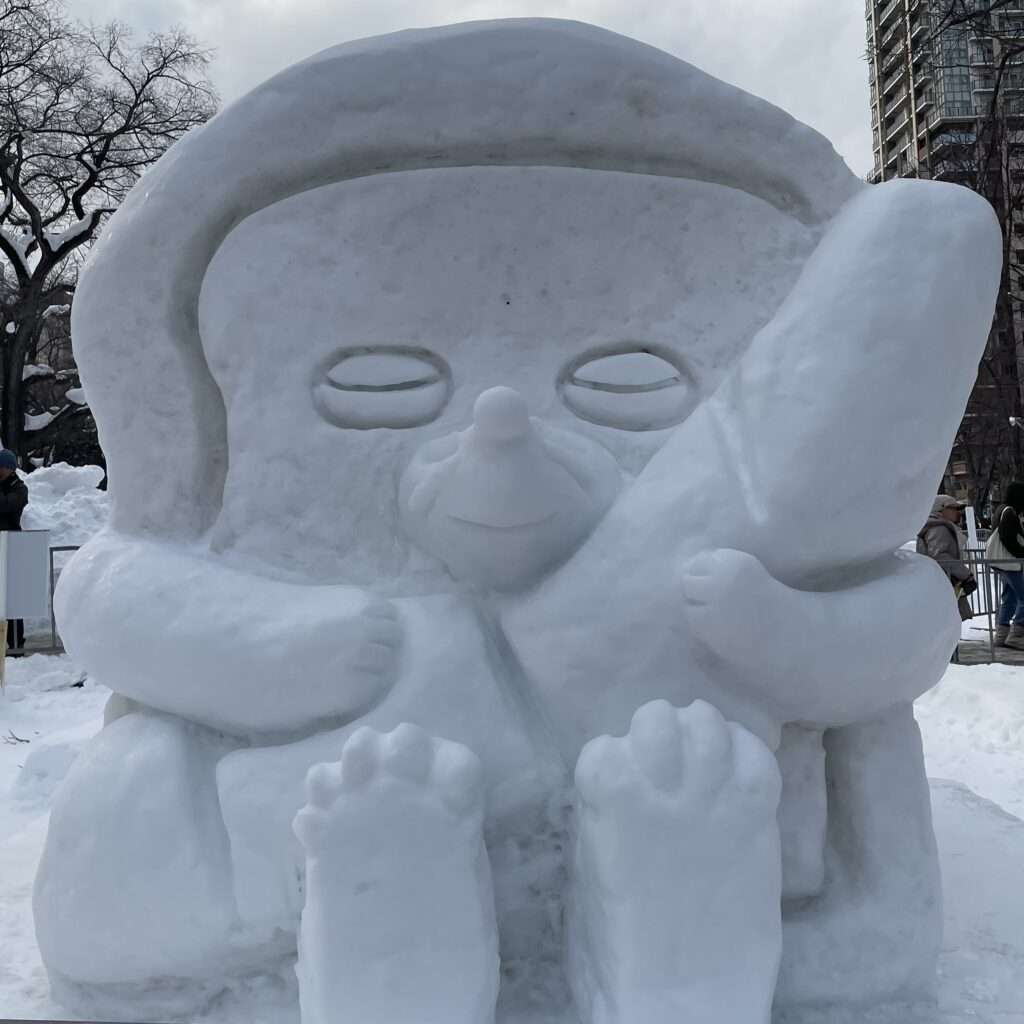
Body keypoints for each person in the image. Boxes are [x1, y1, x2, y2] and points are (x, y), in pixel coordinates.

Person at [917, 495, 977, 660]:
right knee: (948, 622)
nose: (958, 512)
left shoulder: (938, 526)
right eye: (954, 508)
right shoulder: (939, 528)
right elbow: (940, 555)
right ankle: (949, 658)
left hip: (943, 581)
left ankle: (948, 657)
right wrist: (965, 574)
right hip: (945, 581)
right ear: (941, 510)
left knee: (946, 621)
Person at [988, 481, 1024, 648]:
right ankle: (1016, 634)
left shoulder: (1002, 510)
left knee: (1010, 597)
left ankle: (1001, 636)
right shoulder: (1009, 512)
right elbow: (1008, 538)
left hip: (1004, 563)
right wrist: (1021, 553)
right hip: (1010, 562)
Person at [0, 449, 28, 653]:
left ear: (11, 469)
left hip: (11, 544)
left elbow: (6, 506)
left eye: (2, 467)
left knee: (12, 599)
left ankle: (16, 644)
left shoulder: (19, 488)